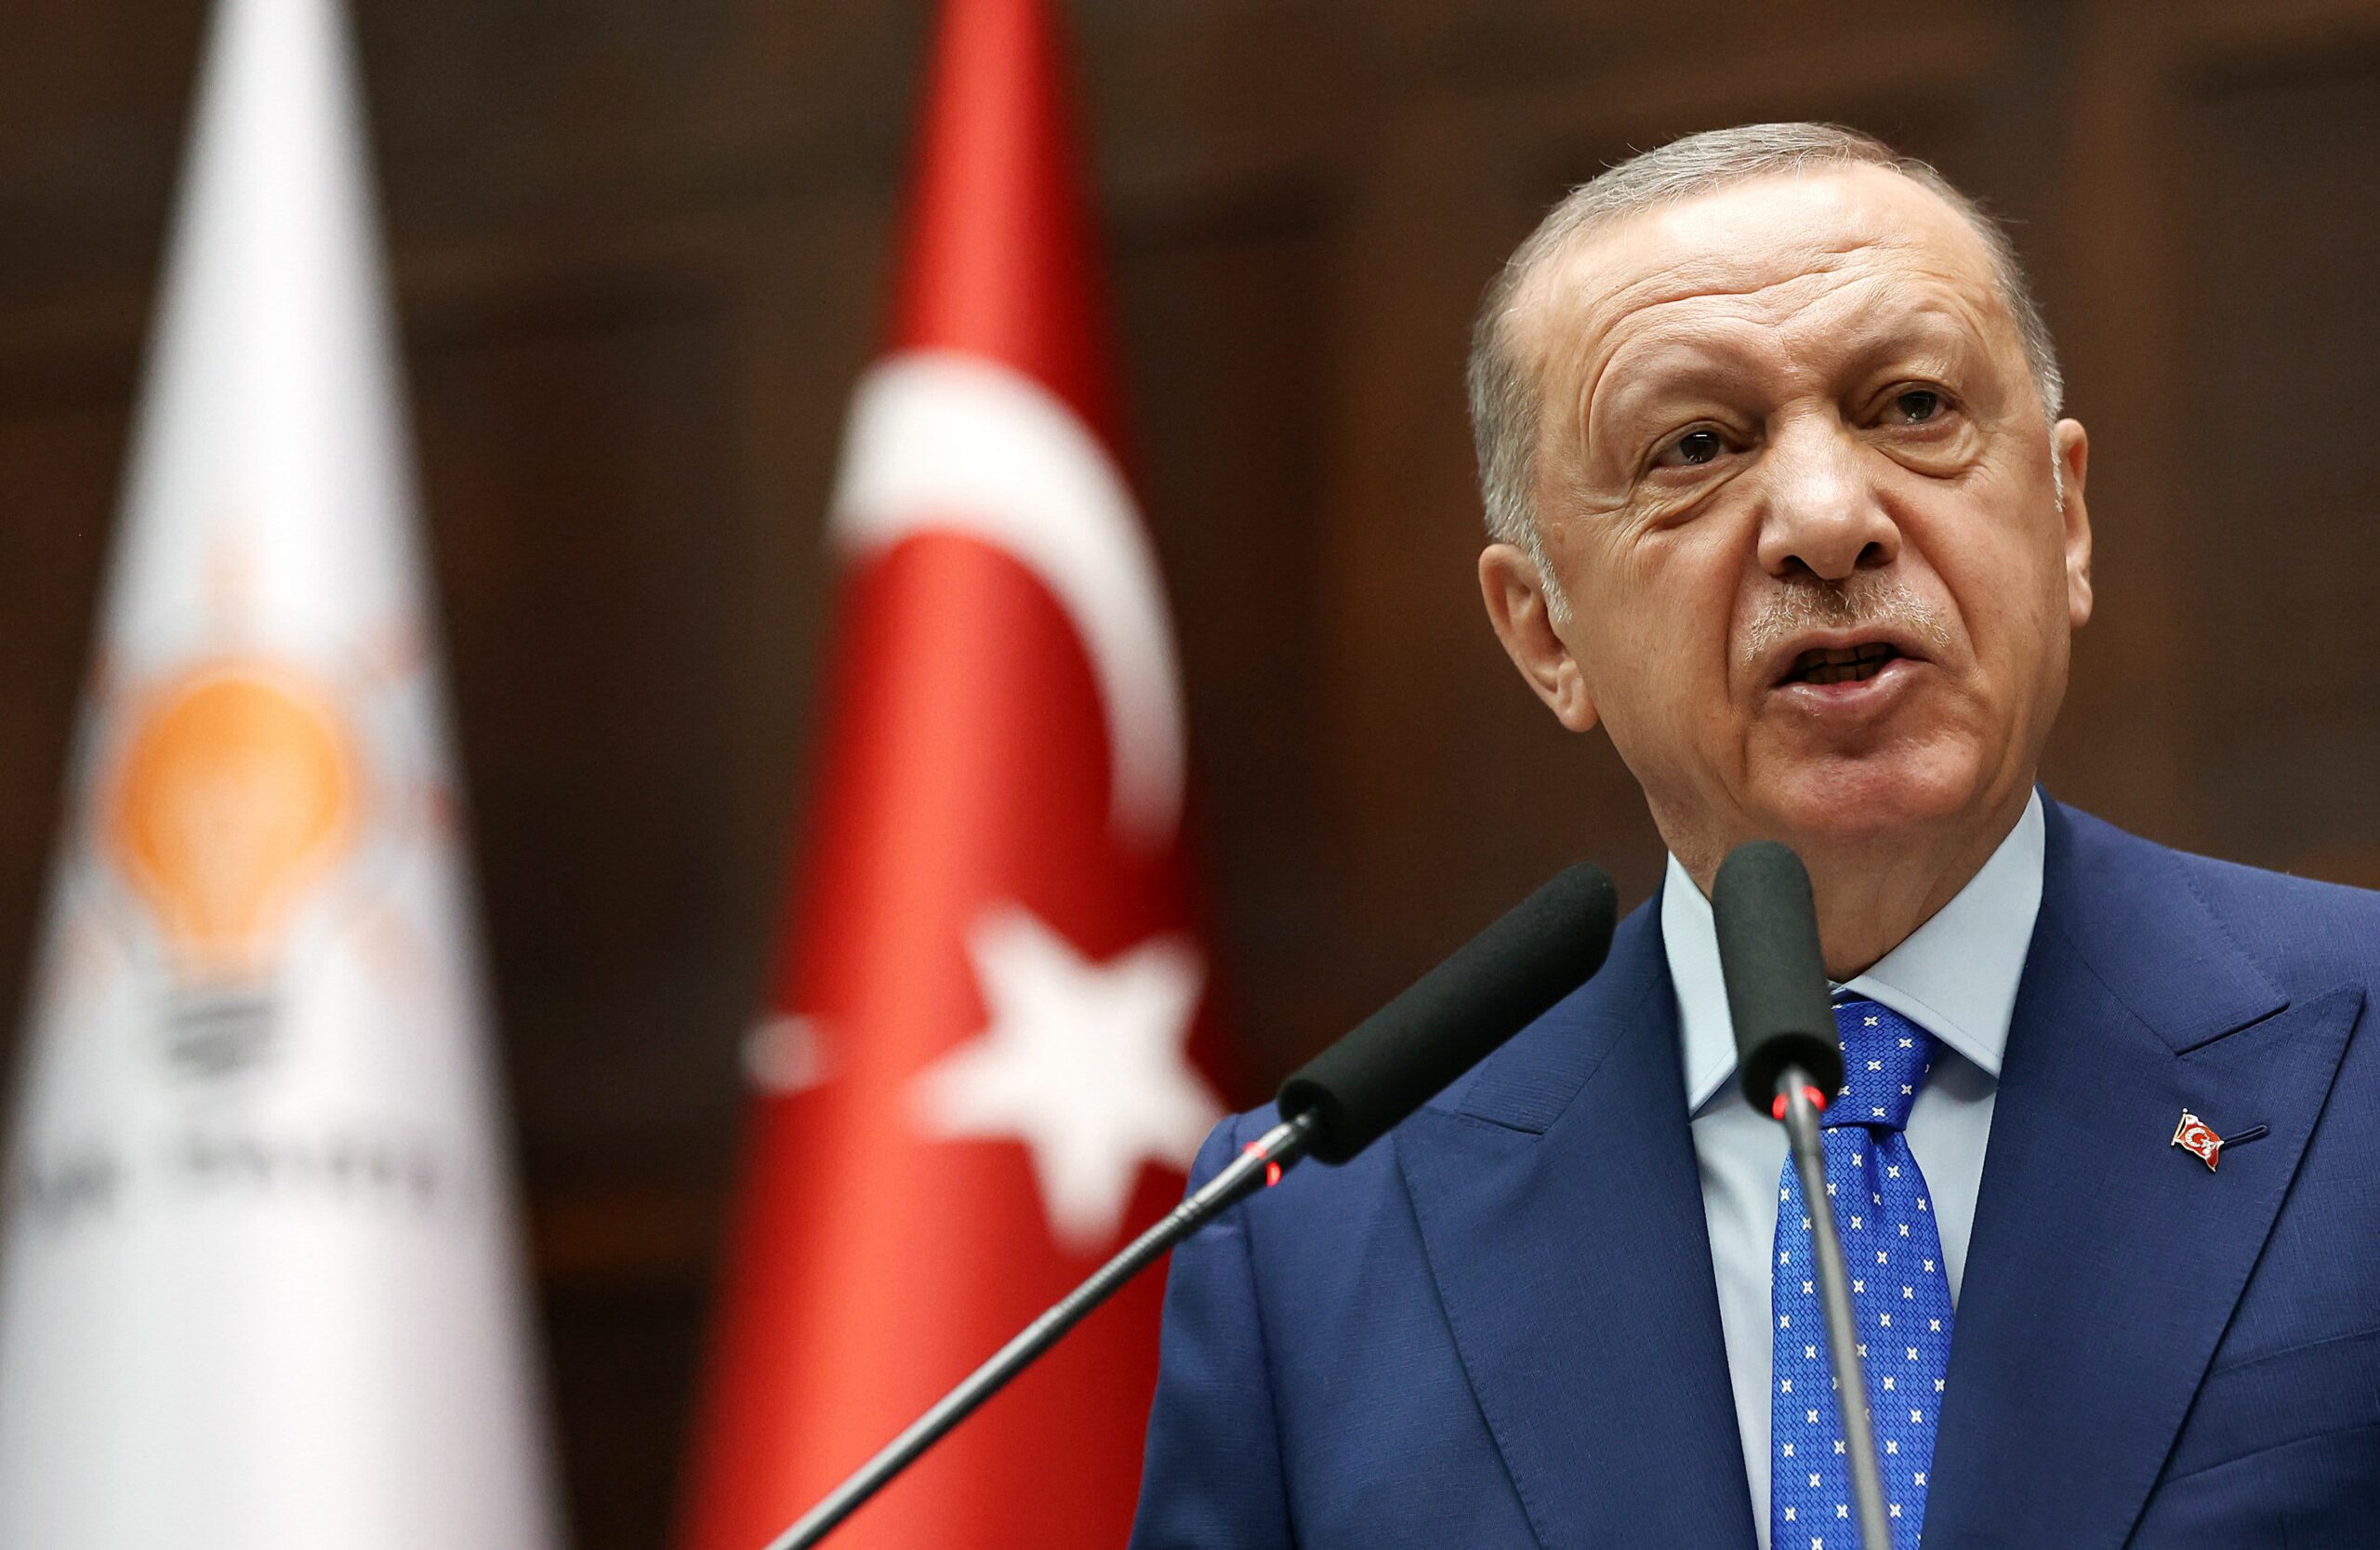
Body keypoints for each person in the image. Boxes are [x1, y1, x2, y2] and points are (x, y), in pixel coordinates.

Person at [1128, 124, 2380, 1549]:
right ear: (1546, 634)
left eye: (1912, 406)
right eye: (1697, 446)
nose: (1830, 522)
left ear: (2067, 518)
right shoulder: (1317, 1236)